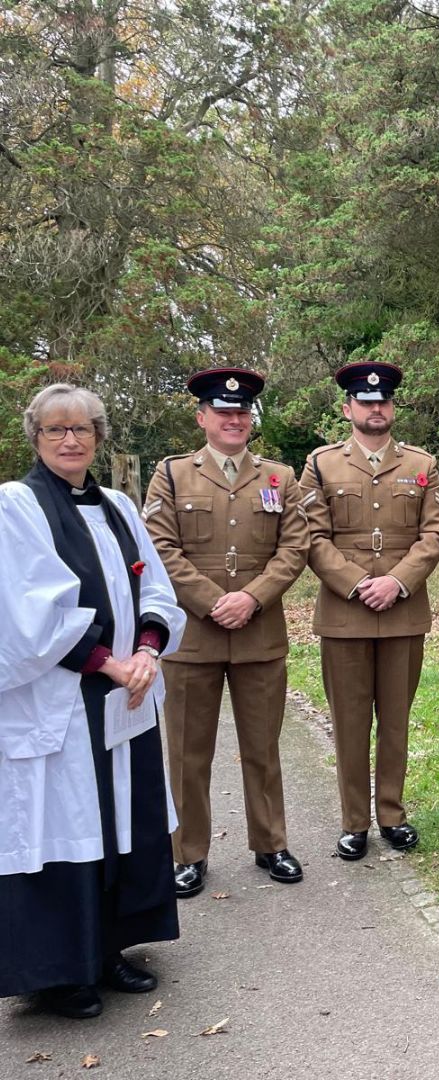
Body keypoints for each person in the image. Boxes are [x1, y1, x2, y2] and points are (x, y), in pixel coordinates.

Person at [0, 384, 186, 1019]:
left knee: (119, 821)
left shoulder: (117, 508)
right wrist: (107, 661)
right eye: (55, 430)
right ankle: (58, 973)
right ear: (36, 438)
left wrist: (150, 651)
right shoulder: (16, 506)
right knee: (64, 826)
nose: (70, 439)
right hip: (59, 699)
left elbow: (155, 587)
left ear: (99, 438)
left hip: (122, 698)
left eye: (82, 428)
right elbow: (29, 611)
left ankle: (108, 950)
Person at [143, 368, 309, 897]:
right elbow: (160, 548)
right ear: (203, 417)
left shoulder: (280, 477)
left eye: (242, 413)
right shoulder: (171, 475)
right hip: (192, 637)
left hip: (259, 633)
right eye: (223, 412)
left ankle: (271, 844)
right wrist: (216, 601)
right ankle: (187, 853)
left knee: (263, 746)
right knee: (190, 752)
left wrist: (252, 597)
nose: (234, 419)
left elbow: (295, 548)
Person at [299, 361, 439, 857]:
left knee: (396, 720)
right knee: (349, 720)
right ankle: (353, 821)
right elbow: (312, 538)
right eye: (365, 402)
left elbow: (434, 535)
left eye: (383, 401)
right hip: (346, 614)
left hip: (403, 612)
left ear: (392, 407)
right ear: (348, 409)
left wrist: (398, 583)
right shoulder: (321, 464)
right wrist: (360, 583)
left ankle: (392, 814)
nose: (375, 408)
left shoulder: (421, 465)